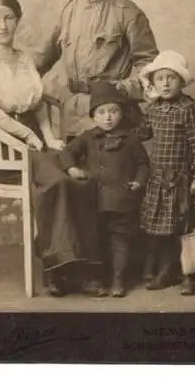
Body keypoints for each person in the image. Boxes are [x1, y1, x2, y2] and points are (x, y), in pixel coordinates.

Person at [0, 0, 101, 297]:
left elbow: (37, 104)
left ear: (17, 19)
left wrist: (49, 137)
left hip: (35, 139)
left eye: (8, 17)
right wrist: (26, 138)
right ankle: (57, 271)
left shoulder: (24, 58)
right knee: (57, 182)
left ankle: (87, 268)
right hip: (2, 144)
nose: (3, 25)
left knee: (81, 177)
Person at [39, 0, 159, 139]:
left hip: (113, 114)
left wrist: (118, 90)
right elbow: (43, 57)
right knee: (75, 168)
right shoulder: (67, 11)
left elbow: (150, 69)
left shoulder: (127, 12)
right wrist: (14, 82)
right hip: (74, 115)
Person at [59, 81, 150, 297]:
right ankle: (97, 277)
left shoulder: (131, 138)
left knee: (120, 240)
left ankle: (118, 279)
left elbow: (143, 164)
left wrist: (138, 182)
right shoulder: (88, 137)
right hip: (95, 200)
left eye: (113, 111)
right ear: (94, 116)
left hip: (122, 200)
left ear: (122, 113)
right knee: (96, 239)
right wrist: (71, 168)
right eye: (101, 112)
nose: (108, 117)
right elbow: (66, 153)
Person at [138, 51, 195, 296]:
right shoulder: (154, 109)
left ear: (181, 82)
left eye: (171, 78)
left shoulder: (189, 109)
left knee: (188, 227)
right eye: (160, 78)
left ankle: (190, 275)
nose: (165, 83)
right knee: (164, 229)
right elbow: (143, 133)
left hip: (184, 180)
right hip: (161, 178)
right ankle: (167, 270)